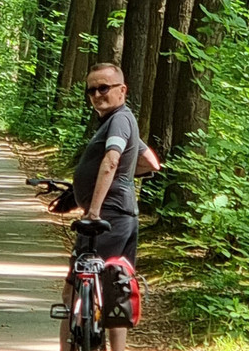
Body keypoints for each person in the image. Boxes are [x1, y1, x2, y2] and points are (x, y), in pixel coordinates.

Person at [62, 62, 159, 351]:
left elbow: (112, 160)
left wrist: (93, 208)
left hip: (108, 217)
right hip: (126, 215)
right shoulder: (125, 120)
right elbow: (151, 163)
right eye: (91, 90)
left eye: (103, 88)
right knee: (116, 287)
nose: (96, 94)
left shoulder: (118, 120)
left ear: (122, 90)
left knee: (71, 291)